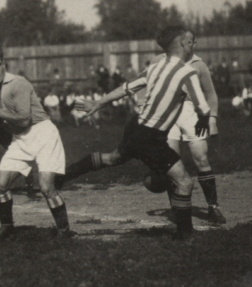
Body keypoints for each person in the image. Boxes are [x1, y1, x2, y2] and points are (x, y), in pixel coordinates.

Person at [63, 26, 212, 240]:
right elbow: (203, 107)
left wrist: (98, 103)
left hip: (136, 127)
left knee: (112, 158)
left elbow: (126, 88)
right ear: (180, 43)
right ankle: (185, 236)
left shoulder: (154, 67)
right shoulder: (187, 73)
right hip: (151, 137)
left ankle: (64, 176)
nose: (193, 45)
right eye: (190, 41)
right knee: (184, 182)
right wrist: (204, 121)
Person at [0, 48, 72, 241]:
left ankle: (64, 231)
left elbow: (24, 120)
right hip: (20, 139)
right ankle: (7, 227)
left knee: (46, 187)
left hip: (42, 133)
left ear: (4, 64)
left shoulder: (18, 83)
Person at [165, 32, 225, 224]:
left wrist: (212, 119)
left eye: (192, 42)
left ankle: (213, 207)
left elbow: (211, 94)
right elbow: (147, 84)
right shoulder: (161, 60)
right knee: (170, 163)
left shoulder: (199, 65)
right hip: (168, 115)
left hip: (191, 113)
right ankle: (176, 208)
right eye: (186, 42)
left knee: (201, 157)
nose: (189, 45)